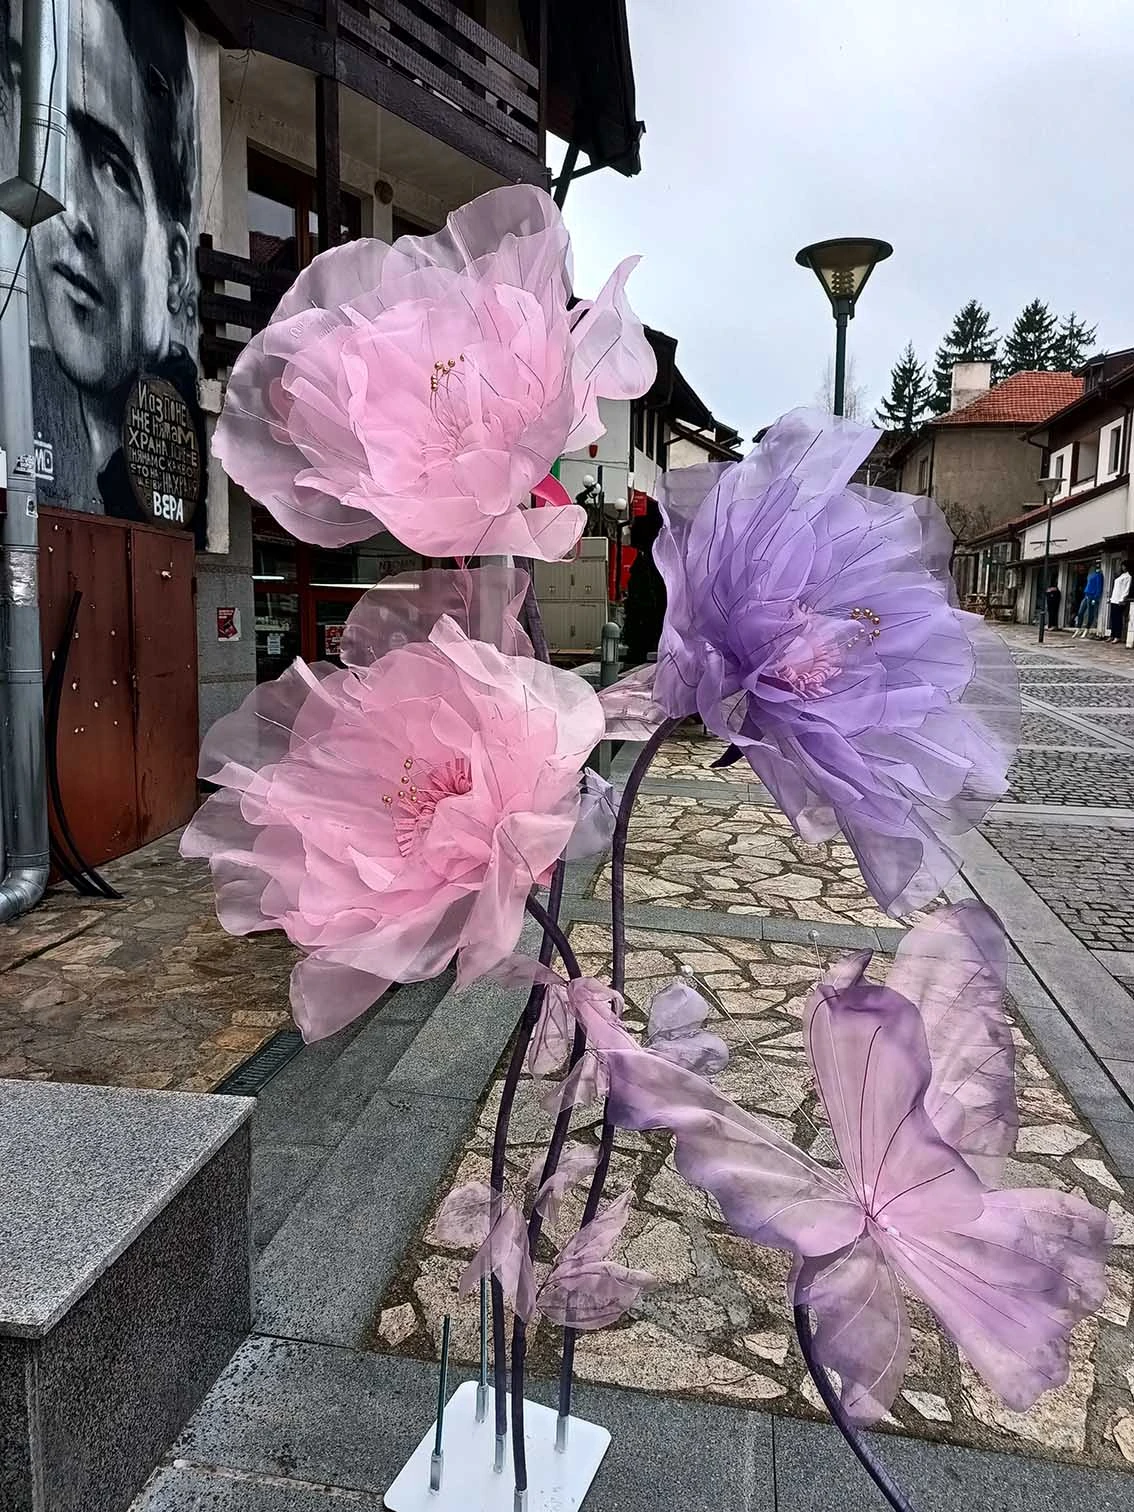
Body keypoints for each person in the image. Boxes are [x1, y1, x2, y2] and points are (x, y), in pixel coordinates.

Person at [21, 0, 204, 537]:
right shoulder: (30, 394)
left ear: (174, 266)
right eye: (55, 149)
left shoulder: (173, 438)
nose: (72, 213)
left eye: (112, 169)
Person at [1074, 562, 1104, 638]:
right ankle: (1078, 628)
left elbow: (1099, 587)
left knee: (1090, 613)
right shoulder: (1090, 575)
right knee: (1080, 612)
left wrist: (1096, 597)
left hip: (1092, 596)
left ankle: (1087, 629)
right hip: (1086, 595)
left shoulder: (1099, 575)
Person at [1108, 562, 1131, 643]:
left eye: (1124, 566)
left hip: (1120, 600)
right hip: (1114, 599)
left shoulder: (1128, 576)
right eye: (1122, 566)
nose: (1122, 567)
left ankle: (1117, 636)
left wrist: (1122, 599)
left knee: (1118, 619)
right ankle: (1112, 635)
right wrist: (1111, 598)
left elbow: (1126, 589)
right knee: (1113, 618)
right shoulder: (1121, 575)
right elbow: (1116, 589)